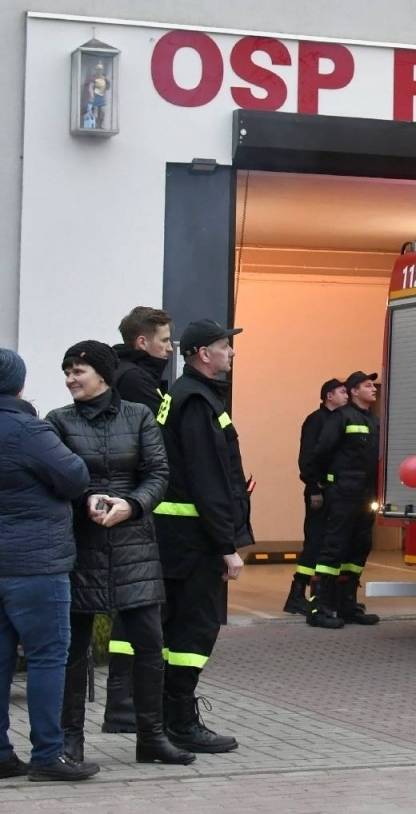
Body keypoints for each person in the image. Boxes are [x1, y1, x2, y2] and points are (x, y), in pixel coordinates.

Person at [46, 341, 193, 767]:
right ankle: (70, 741)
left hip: (134, 546)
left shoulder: (140, 415)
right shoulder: (58, 421)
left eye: (79, 370)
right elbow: (56, 477)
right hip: (81, 547)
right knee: (74, 650)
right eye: (67, 371)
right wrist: (86, 500)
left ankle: (151, 737)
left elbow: (157, 472)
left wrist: (132, 505)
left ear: (104, 374)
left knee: (149, 644)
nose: (71, 378)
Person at [154, 319, 252, 754]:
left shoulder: (188, 395)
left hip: (180, 538)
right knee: (193, 633)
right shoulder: (196, 401)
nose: (231, 353)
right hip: (193, 542)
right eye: (223, 346)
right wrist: (226, 545)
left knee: (177, 631)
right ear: (201, 354)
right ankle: (179, 722)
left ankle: (167, 718)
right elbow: (208, 479)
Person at [0, 348, 97, 783]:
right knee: (46, 658)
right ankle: (48, 754)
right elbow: (75, 477)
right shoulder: (28, 430)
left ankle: (1, 755)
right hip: (35, 565)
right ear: (18, 384)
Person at [101, 304, 175, 734]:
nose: (169, 348)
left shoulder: (138, 376)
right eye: (164, 340)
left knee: (133, 607)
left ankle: (124, 705)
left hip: (135, 504)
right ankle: (124, 704)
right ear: (142, 341)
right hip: (135, 509)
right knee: (134, 609)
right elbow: (152, 446)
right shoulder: (134, 380)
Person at [306, 371, 382, 629]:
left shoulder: (375, 421)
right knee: (334, 549)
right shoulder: (341, 417)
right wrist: (320, 484)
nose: (373, 389)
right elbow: (320, 453)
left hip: (365, 496)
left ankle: (347, 604)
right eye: (368, 385)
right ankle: (319, 607)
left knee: (358, 549)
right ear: (353, 392)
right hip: (342, 495)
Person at [284, 378, 348, 616]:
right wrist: (314, 489)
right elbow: (307, 458)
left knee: (328, 544)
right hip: (319, 491)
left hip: (335, 492)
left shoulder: (341, 420)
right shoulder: (316, 420)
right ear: (329, 396)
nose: (346, 396)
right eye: (342, 392)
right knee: (315, 541)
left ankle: (321, 595)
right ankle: (297, 593)